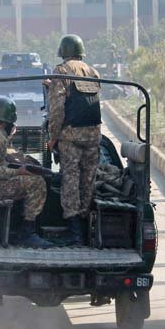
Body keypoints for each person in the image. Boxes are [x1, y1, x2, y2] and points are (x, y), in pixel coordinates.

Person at [0, 98, 54, 249]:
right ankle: (27, 233)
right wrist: (18, 171)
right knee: (37, 183)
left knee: (32, 178)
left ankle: (18, 229)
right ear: (7, 122)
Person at [46, 34, 101, 246]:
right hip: (93, 136)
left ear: (63, 52)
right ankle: (87, 226)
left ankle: (75, 231)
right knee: (88, 179)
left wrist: (53, 137)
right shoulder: (93, 72)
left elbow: (57, 109)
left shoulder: (61, 71)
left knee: (70, 178)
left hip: (70, 135)